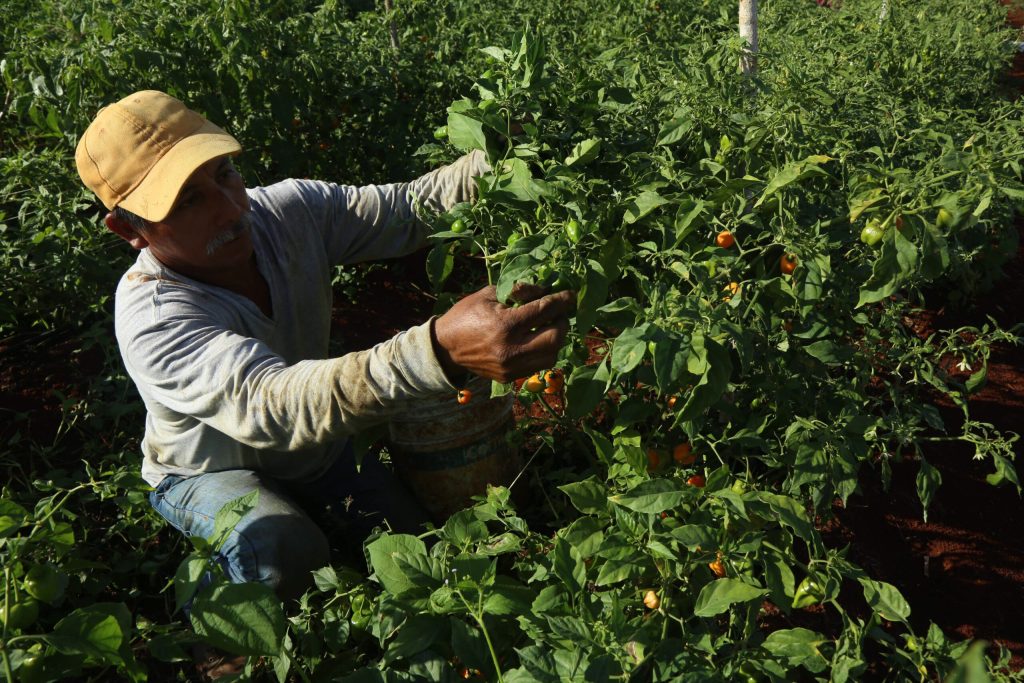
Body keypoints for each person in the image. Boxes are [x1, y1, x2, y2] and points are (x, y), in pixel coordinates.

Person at [75, 91, 574, 606]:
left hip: (315, 452)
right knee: (280, 546)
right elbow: (274, 406)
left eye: (224, 173)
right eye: (187, 202)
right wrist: (437, 350)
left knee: (422, 553)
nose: (229, 209)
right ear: (128, 229)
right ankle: (217, 629)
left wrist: (503, 147)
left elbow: (408, 208)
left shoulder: (286, 214)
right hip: (212, 471)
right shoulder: (154, 318)